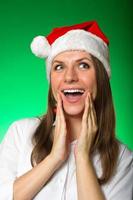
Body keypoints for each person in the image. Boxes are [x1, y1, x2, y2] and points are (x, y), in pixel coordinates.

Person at [0, 21, 133, 200]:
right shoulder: (21, 133)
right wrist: (54, 158)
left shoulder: (123, 159)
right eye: (59, 67)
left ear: (100, 78)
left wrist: (82, 157)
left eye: (83, 65)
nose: (70, 77)